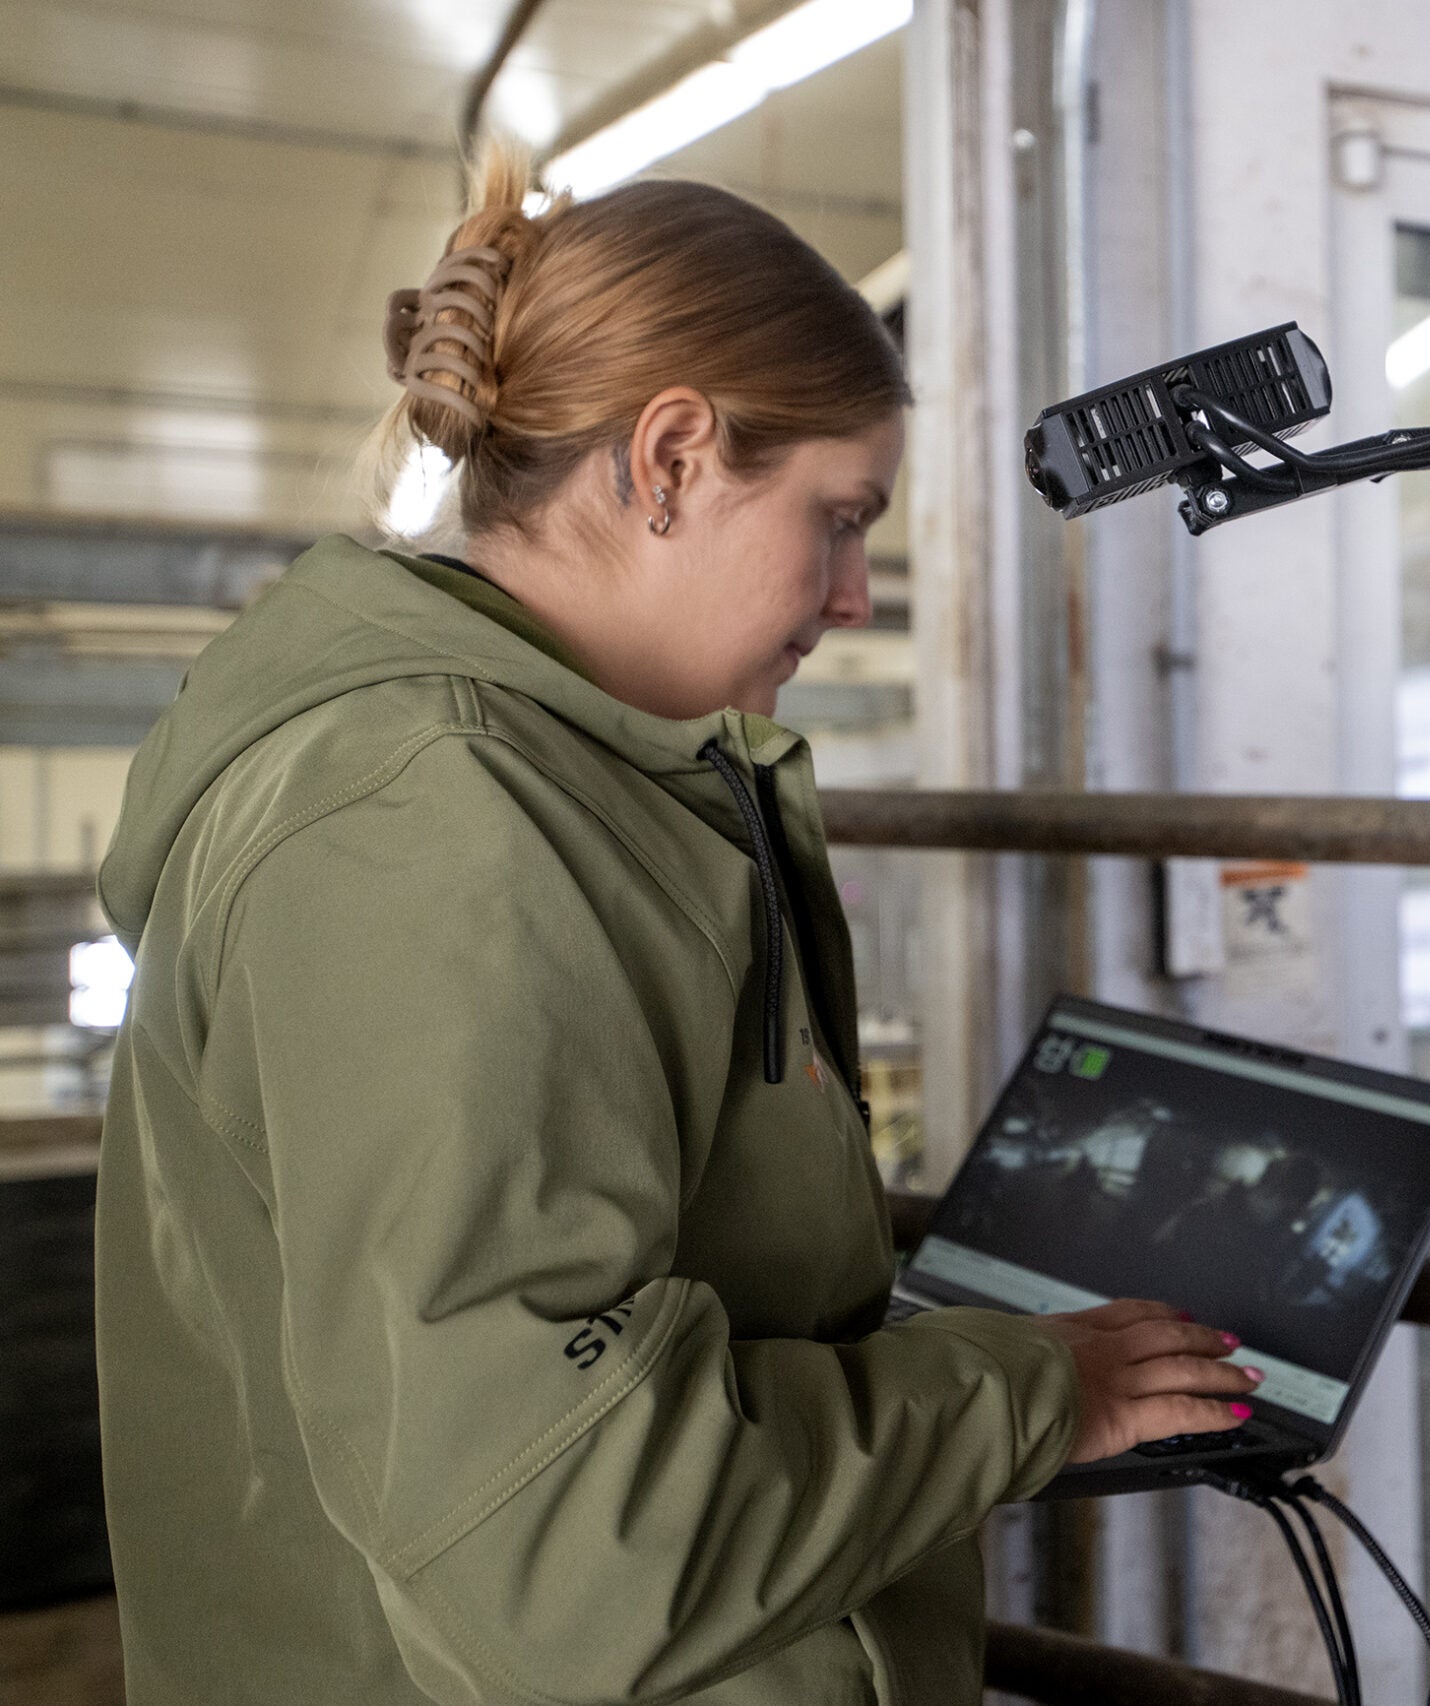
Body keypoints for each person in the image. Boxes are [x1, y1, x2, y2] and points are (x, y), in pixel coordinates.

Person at [90, 152, 1257, 1706]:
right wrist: (1023, 1391)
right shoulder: (431, 824)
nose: (852, 595)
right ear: (672, 455)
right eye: (838, 518)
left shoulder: (595, 775)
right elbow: (571, 1546)